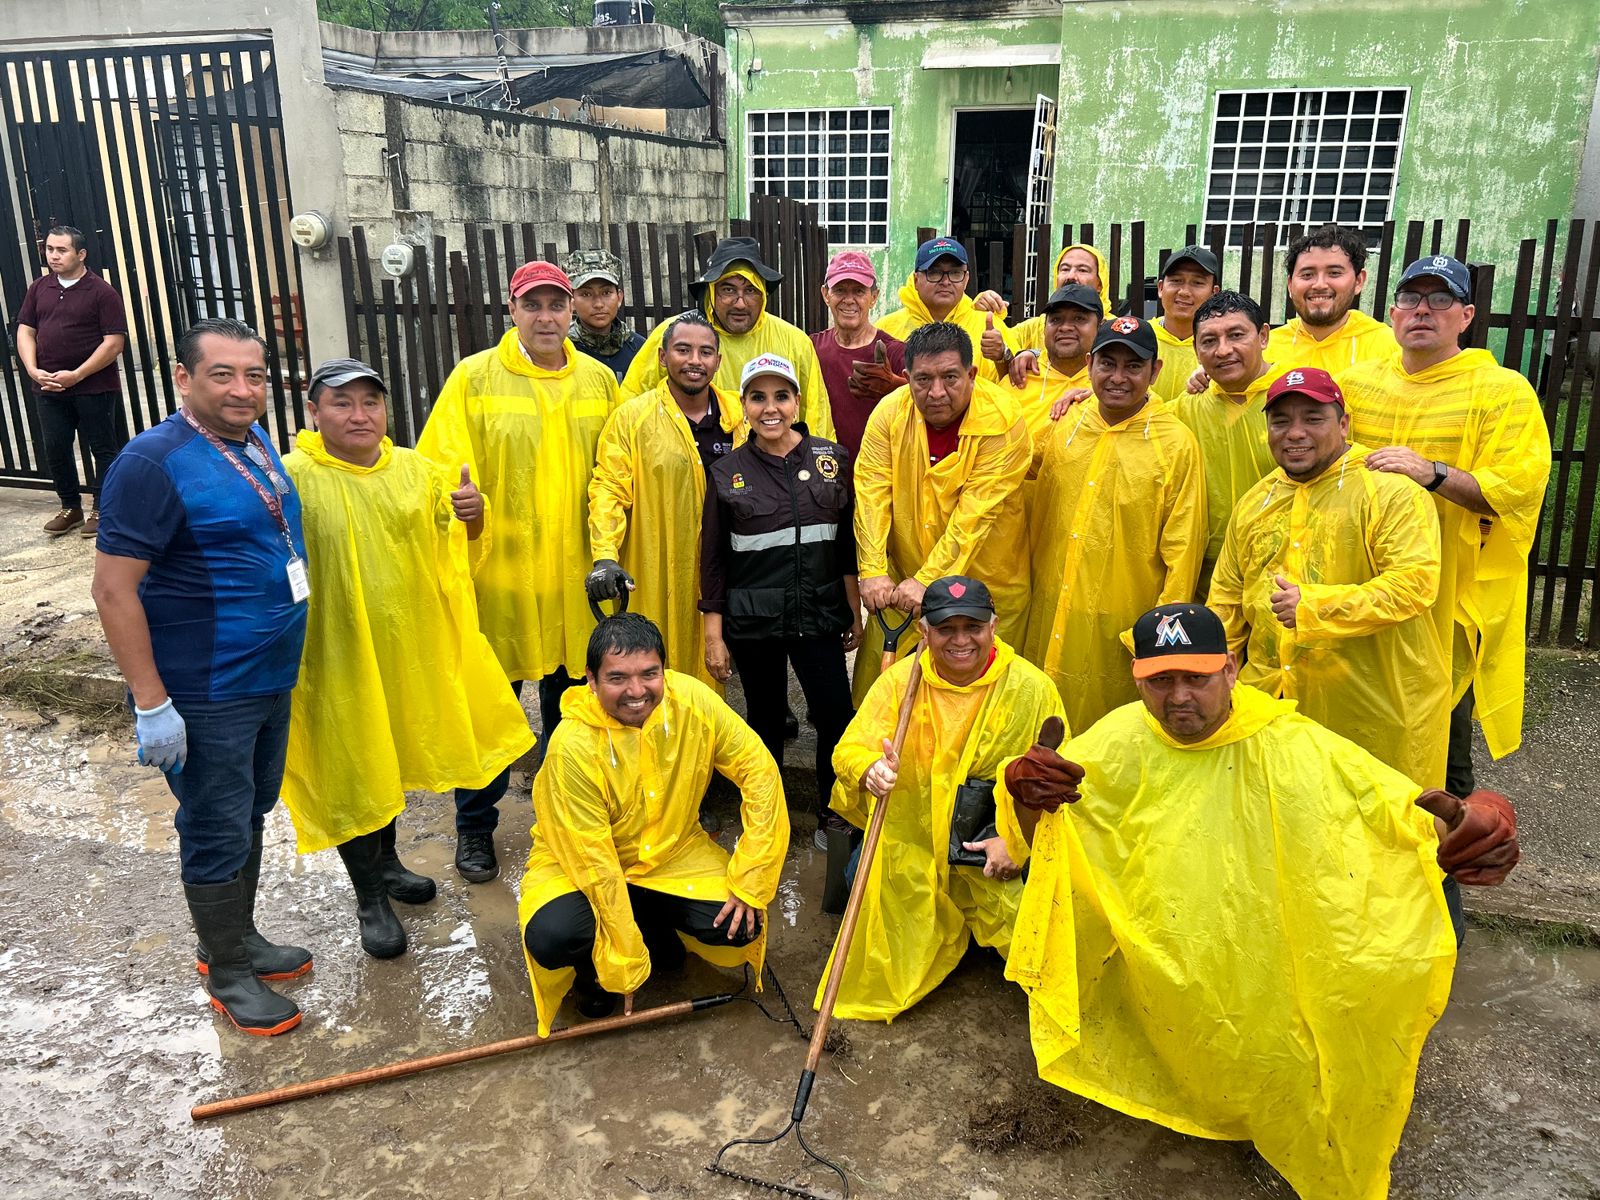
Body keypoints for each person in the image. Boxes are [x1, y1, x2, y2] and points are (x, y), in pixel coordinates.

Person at [1001, 602, 1520, 1200]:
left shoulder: (1291, 745)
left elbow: (1398, 810)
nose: (1178, 699)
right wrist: (1027, 798)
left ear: (1230, 669)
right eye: (1159, 681)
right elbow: (1040, 836)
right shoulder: (1119, 738)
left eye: (1195, 678)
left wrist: (1484, 818)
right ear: (1137, 679)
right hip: (1167, 956)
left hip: (1259, 963)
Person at [91, 317, 310, 1037]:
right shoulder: (152, 462)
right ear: (183, 378)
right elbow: (114, 590)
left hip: (267, 675)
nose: (243, 389)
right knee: (216, 824)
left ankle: (235, 938)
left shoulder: (252, 442)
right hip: (206, 685)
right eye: (223, 374)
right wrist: (153, 703)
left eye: (255, 375)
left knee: (248, 812)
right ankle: (227, 974)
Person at [281, 358, 536, 959]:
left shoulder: (417, 471)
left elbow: (455, 548)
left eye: (371, 402)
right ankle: (369, 895)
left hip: (407, 650)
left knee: (387, 755)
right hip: (335, 651)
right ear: (314, 413)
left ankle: (389, 863)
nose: (359, 415)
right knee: (353, 766)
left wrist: (473, 520)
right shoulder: (291, 477)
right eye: (341, 403)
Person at [416, 260, 620, 884]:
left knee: (572, 714)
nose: (546, 317)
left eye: (556, 305)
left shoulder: (598, 381)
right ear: (512, 311)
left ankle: (563, 821)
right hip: (498, 581)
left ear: (571, 313)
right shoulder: (475, 379)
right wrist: (458, 504)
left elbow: (618, 469)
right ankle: (475, 829)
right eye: (533, 305)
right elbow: (437, 470)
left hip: (574, 585)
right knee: (492, 711)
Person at [518, 613, 790, 1035]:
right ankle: (592, 973)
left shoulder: (694, 702)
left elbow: (760, 773)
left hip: (672, 854)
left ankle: (651, 923)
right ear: (590, 679)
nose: (636, 691)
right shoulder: (570, 748)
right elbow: (594, 862)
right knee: (554, 935)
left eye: (649, 674)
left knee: (740, 921)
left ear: (665, 669)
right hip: (577, 869)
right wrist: (623, 961)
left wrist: (753, 874)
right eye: (617, 678)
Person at [1342, 254, 1552, 799]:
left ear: (1466, 315)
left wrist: (1430, 472)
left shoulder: (1500, 390)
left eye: (1440, 300)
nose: (1423, 311)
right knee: (1354, 729)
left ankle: (1443, 870)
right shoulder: (1357, 384)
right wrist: (1203, 377)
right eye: (1411, 298)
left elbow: (1515, 486)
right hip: (1358, 582)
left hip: (1444, 597)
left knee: (1441, 740)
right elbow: (1288, 415)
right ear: (1391, 313)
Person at [817, 576, 1065, 1022]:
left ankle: (974, 921)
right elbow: (848, 751)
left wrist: (1017, 844)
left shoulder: (1031, 689)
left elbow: (1056, 789)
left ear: (995, 626)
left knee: (1045, 951)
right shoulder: (898, 685)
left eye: (973, 627)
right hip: (912, 837)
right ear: (923, 633)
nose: (961, 640)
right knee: (865, 893)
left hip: (986, 847)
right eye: (946, 629)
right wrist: (871, 770)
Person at [1207, 366, 1449, 791]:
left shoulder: (1390, 492)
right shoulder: (1256, 501)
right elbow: (1226, 601)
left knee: (1375, 835)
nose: (1294, 433)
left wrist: (1314, 606)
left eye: (1313, 418)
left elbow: (1414, 584)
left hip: (1373, 711)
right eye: (1281, 421)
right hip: (1268, 705)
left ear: (1343, 423)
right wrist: (1214, 679)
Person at [700, 353, 861, 843]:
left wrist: (855, 609)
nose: (770, 408)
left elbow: (845, 545)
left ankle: (834, 811)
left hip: (819, 615)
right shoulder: (726, 471)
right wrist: (714, 635)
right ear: (744, 405)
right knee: (766, 720)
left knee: (834, 715)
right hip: (754, 623)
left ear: (797, 401)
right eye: (757, 397)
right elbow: (712, 560)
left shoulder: (830, 460)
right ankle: (769, 816)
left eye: (780, 396)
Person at [1022, 316, 1205, 734]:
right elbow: (1012, 469)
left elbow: (1183, 551)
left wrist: (1158, 640)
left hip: (1118, 628)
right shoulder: (1065, 424)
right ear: (1089, 364)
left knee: (1105, 740)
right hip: (1047, 609)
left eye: (1133, 366)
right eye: (1108, 364)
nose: (1118, 378)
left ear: (1155, 371)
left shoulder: (1176, 445)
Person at [852, 321, 1031, 705]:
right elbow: (871, 490)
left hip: (987, 577)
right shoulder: (889, 414)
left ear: (972, 373)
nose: (936, 393)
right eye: (923, 380)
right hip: (904, 585)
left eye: (950, 377)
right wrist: (872, 570)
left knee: (979, 697)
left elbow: (974, 516)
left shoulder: (1003, 422)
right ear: (906, 378)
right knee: (885, 695)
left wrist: (929, 580)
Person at [587, 311, 742, 689]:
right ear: (661, 357)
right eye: (683, 350)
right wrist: (605, 554)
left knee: (723, 679)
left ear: (718, 362)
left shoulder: (740, 417)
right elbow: (609, 487)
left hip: (731, 570)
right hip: (659, 566)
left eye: (705, 352)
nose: (694, 361)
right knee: (655, 669)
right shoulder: (632, 419)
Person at [620, 237, 832, 437]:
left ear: (763, 295)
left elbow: (817, 418)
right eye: (728, 289)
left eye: (751, 290)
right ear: (711, 292)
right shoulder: (674, 334)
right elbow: (631, 409)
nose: (740, 303)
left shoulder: (794, 342)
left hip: (774, 468)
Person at [15, 225, 128, 538]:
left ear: (81, 254)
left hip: (93, 386)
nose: (53, 255)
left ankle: (104, 507)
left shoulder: (101, 292)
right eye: (50, 249)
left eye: (61, 250)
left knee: (103, 448)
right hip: (48, 385)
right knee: (55, 446)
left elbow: (113, 343)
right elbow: (26, 330)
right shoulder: (39, 288)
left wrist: (77, 374)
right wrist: (33, 369)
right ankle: (70, 506)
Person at [1169, 290, 1285, 593]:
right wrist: (1091, 397)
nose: (1223, 351)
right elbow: (1137, 417)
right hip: (1206, 576)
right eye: (1209, 341)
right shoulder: (1187, 407)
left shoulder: (1297, 401)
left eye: (1236, 335)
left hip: (1284, 577)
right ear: (1195, 349)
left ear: (1262, 336)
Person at [809, 250, 906, 459]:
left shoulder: (895, 352)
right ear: (826, 294)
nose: (849, 300)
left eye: (859, 291)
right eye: (840, 290)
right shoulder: (811, 348)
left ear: (874, 297)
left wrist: (897, 386)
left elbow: (929, 402)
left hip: (879, 473)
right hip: (824, 472)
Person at [976, 242, 1113, 386]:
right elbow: (1001, 348)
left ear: (1100, 283)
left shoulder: (1115, 329)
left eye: (1083, 270)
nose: (1071, 276)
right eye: (1065, 269)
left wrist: (1034, 353)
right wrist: (979, 314)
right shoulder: (1035, 326)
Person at [879, 237, 1013, 383]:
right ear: (916, 280)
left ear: (966, 279)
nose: (946, 281)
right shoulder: (886, 329)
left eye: (955, 273)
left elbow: (1016, 386)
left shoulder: (991, 328)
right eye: (935, 272)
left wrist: (1002, 356)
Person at [1270, 223, 1398, 374]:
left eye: (1334, 273)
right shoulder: (1265, 349)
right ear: (1290, 285)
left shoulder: (1390, 348)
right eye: (1307, 275)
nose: (1319, 285)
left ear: (1358, 281)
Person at [997, 283, 1101, 448]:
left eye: (1079, 318)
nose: (1065, 327)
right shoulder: (1018, 380)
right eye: (1056, 319)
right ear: (1044, 328)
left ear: (1100, 327)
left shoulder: (1111, 386)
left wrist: (1101, 401)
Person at [1148, 245, 1220, 403]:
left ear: (1214, 293)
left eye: (1197, 283)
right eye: (1176, 281)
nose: (1184, 292)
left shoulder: (1223, 348)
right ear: (1160, 288)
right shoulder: (1140, 337)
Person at [561, 248, 647, 380]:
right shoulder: (562, 350)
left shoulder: (640, 349)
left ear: (619, 298)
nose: (598, 304)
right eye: (586, 294)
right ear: (571, 302)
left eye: (606, 293)